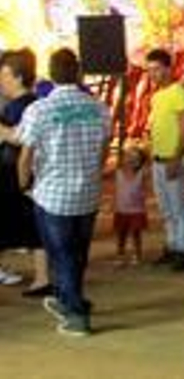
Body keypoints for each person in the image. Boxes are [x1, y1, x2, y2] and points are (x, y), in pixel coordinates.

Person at [17, 49, 110, 337]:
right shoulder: (99, 108)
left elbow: (26, 154)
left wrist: (24, 184)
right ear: (79, 72)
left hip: (53, 194)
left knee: (61, 255)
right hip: (88, 192)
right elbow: (104, 150)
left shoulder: (39, 110)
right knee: (78, 253)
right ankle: (69, 298)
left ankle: (76, 315)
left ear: (51, 73)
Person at [0, 49, 50, 296]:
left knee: (34, 229)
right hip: (16, 179)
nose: (1, 80)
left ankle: (43, 279)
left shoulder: (26, 107)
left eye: (5, 75)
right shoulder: (21, 105)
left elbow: (25, 142)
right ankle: (42, 278)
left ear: (18, 77)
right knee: (33, 231)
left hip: (18, 179)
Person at [144, 48, 184, 271]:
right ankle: (172, 245)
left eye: (157, 69)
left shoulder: (179, 93)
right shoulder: (157, 96)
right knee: (166, 208)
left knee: (179, 207)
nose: (153, 74)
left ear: (168, 68)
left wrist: (177, 156)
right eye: (150, 70)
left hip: (172, 158)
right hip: (158, 158)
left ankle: (183, 250)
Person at [113, 144, 150, 267]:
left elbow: (149, 168)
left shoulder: (142, 174)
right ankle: (120, 254)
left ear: (140, 162)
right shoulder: (118, 172)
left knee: (136, 234)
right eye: (128, 157)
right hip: (121, 210)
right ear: (122, 158)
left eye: (135, 159)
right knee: (121, 234)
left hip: (137, 210)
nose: (131, 160)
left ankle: (137, 255)